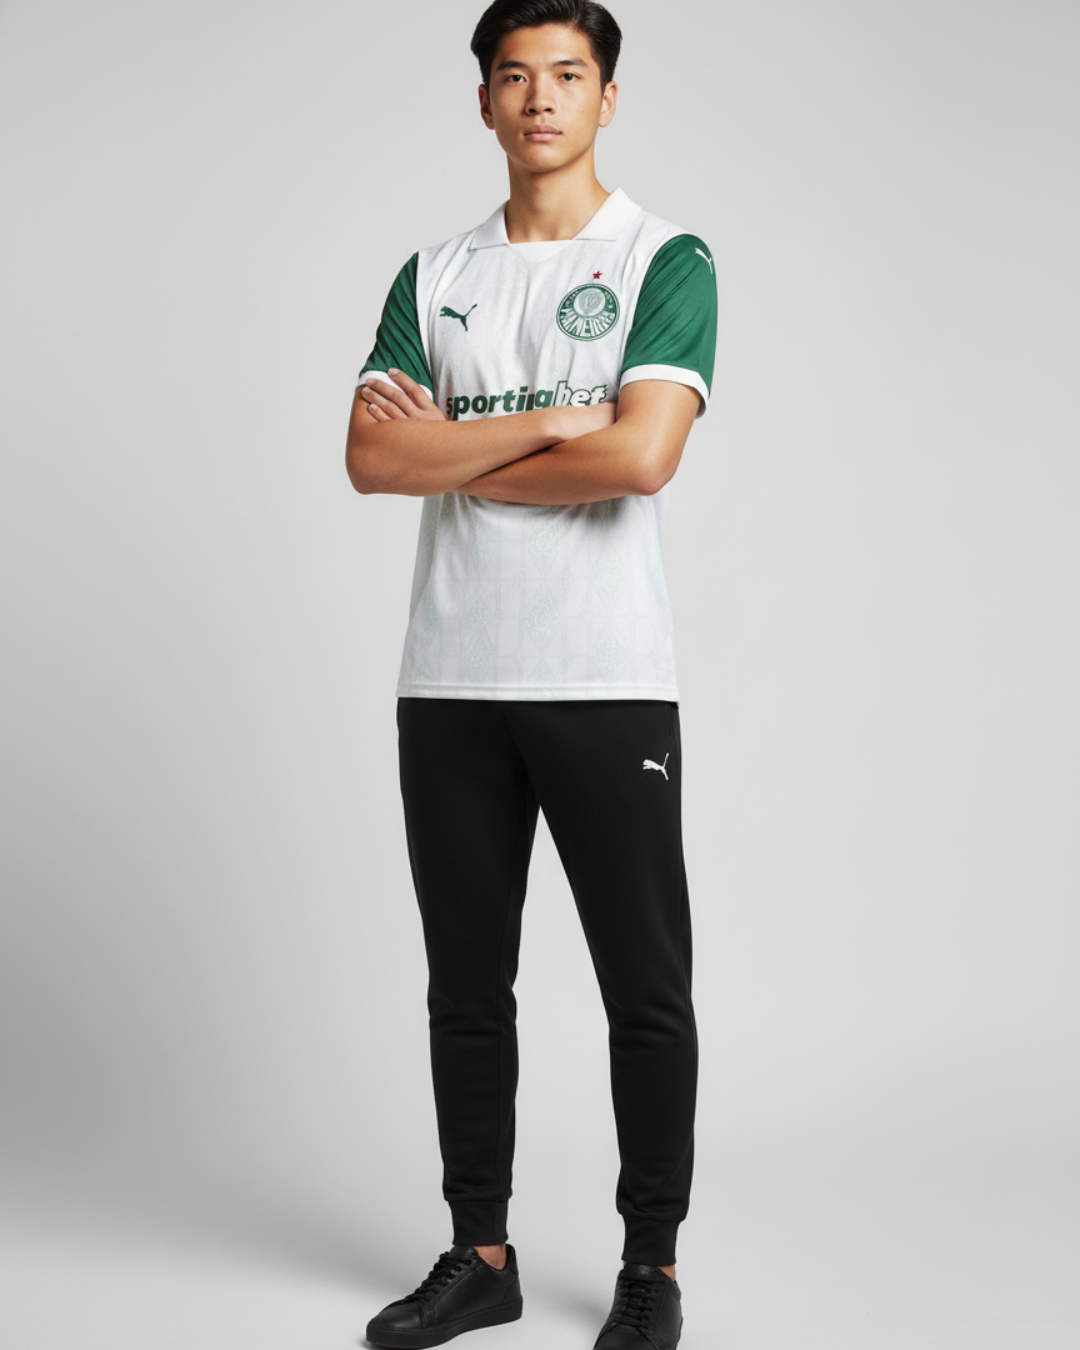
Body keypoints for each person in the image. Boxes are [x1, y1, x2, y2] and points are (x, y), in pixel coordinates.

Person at [345, 1, 716, 1345]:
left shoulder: (665, 256)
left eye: (567, 74)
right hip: (451, 678)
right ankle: (480, 1252)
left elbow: (643, 456)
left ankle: (650, 1266)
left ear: (607, 97)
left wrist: (462, 444)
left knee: (644, 987)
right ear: (486, 101)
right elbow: (372, 458)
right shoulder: (432, 273)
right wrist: (564, 415)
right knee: (465, 987)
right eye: (515, 76)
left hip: (604, 674)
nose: (540, 98)